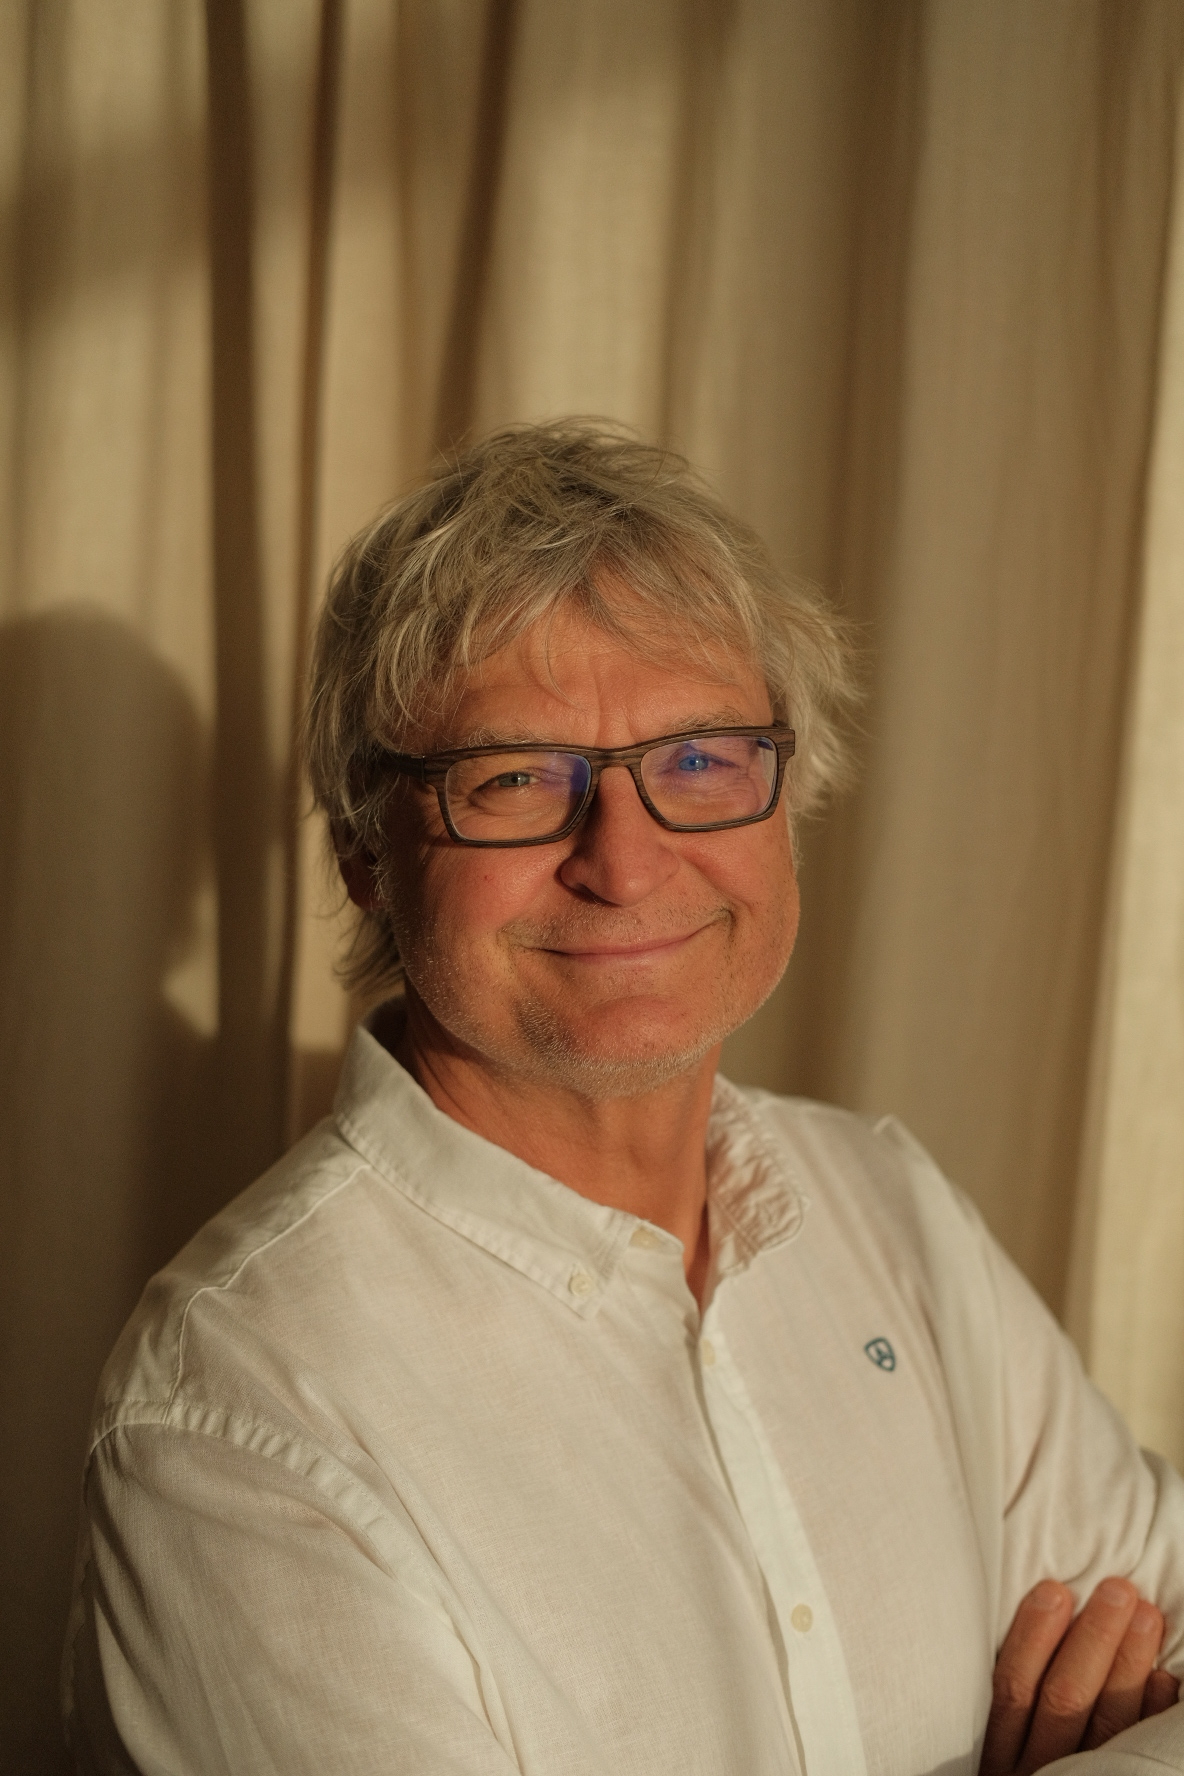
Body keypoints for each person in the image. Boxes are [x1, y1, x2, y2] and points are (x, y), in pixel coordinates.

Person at [64, 423, 1184, 1775]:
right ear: (365, 850)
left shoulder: (890, 1209)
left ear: (788, 795)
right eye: (515, 779)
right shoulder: (237, 1414)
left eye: (702, 759)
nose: (626, 860)